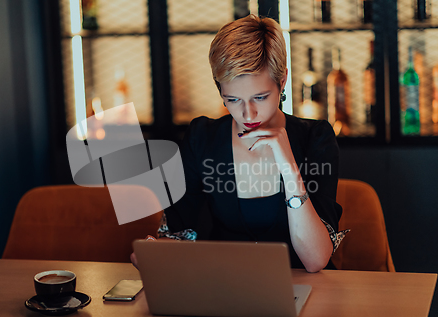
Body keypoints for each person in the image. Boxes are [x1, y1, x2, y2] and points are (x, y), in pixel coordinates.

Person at [132, 15, 348, 273]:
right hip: (225, 292)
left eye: (260, 97)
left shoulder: (315, 138)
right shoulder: (202, 138)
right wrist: (157, 250)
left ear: (282, 82)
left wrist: (289, 169)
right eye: (233, 99)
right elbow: (181, 234)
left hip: (307, 291)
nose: (248, 114)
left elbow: (315, 260)